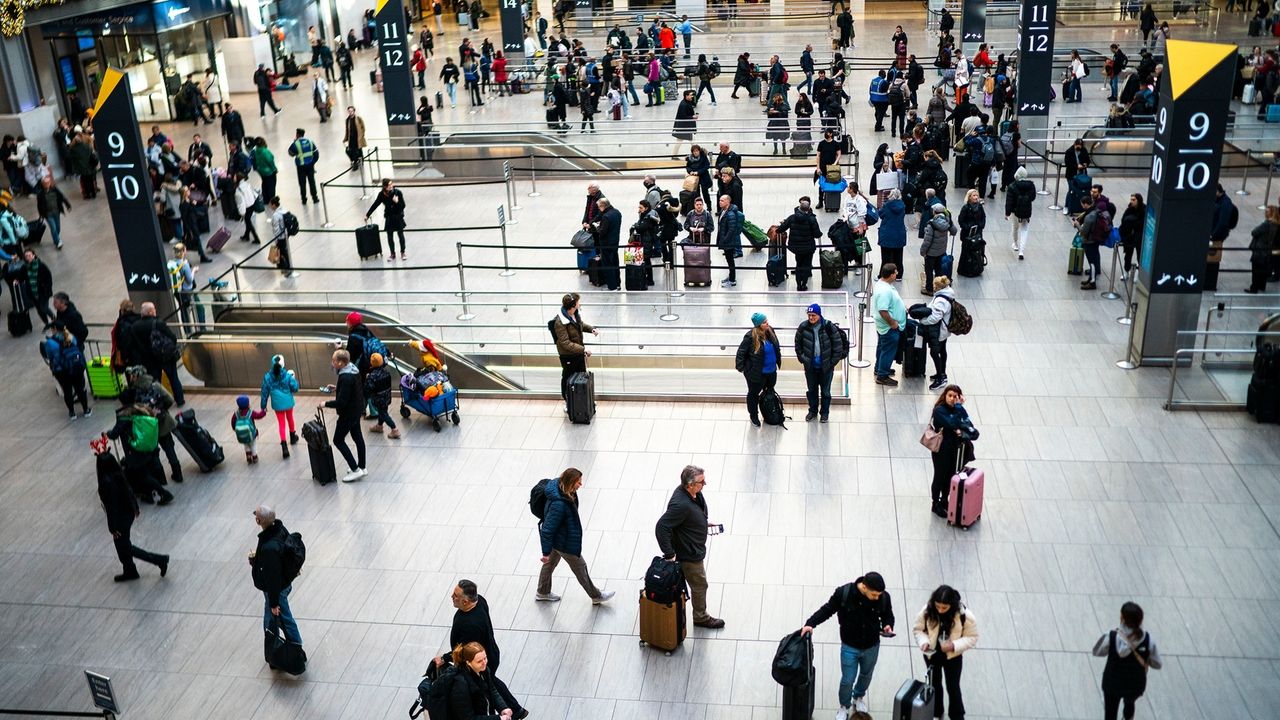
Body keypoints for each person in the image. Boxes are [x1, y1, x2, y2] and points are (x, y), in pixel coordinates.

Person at [799, 572, 895, 716]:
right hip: (850, 646)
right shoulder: (844, 593)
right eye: (874, 594)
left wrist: (888, 625)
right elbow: (827, 610)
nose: (877, 598)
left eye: (879, 595)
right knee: (847, 680)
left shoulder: (883, 597)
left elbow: (888, 614)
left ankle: (858, 697)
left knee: (866, 675)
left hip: (872, 646)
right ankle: (844, 706)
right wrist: (810, 624)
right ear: (864, 587)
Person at [436, 580, 529, 719]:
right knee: (491, 681)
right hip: (490, 652)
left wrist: (444, 658)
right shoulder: (480, 601)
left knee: (489, 683)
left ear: (465, 601)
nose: (452, 597)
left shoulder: (470, 625)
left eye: (455, 595)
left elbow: (464, 651)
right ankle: (516, 710)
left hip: (479, 657)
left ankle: (515, 710)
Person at [655, 465, 724, 628]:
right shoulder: (681, 504)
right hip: (689, 554)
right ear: (690, 485)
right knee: (700, 585)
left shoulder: (692, 494)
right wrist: (669, 554)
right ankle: (701, 617)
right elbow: (662, 527)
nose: (705, 484)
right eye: (701, 482)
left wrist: (701, 523)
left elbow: (687, 517)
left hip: (691, 546)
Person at [535, 468, 615, 603]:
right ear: (570, 482)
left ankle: (542, 592)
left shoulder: (563, 489)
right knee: (580, 567)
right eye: (578, 482)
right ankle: (596, 596)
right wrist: (545, 552)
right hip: (563, 541)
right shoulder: (559, 504)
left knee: (549, 565)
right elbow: (547, 529)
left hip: (558, 537)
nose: (581, 484)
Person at [94, 439, 169, 582]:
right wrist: (135, 507)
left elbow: (111, 507)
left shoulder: (105, 483)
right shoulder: (118, 474)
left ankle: (159, 560)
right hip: (128, 513)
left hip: (120, 519)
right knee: (122, 545)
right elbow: (128, 491)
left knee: (125, 547)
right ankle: (130, 569)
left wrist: (112, 527)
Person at [912, 585, 979, 720]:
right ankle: (937, 712)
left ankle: (957, 716)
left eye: (944, 607)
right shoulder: (927, 610)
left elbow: (972, 637)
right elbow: (918, 629)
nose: (940, 610)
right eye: (938, 606)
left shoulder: (964, 616)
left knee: (953, 687)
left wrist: (953, 645)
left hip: (953, 657)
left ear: (952, 605)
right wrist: (924, 642)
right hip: (932, 655)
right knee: (934, 685)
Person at [1093, 602, 1162, 720]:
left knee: (1110, 712)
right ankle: (1127, 716)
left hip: (1112, 683)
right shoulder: (1148, 640)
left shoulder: (1111, 636)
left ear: (1122, 618)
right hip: (1135, 684)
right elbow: (1157, 664)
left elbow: (1097, 652)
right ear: (1141, 620)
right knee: (1130, 702)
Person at [104, 390, 174, 505]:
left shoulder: (125, 415)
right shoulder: (142, 408)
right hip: (147, 446)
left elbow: (114, 434)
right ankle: (148, 495)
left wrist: (108, 433)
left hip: (134, 450)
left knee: (143, 475)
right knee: (144, 472)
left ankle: (164, 493)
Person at [250, 505, 302, 649]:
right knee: (269, 618)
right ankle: (272, 646)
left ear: (258, 521)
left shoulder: (269, 548)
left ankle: (296, 647)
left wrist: (274, 603)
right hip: (282, 583)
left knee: (285, 619)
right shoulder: (279, 529)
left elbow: (273, 577)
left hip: (277, 590)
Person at [124, 365, 185, 484]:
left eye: (132, 375)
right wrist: (161, 410)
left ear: (136, 376)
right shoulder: (155, 385)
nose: (130, 378)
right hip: (163, 423)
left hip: (147, 427)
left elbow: (133, 410)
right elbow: (170, 399)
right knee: (169, 448)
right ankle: (178, 474)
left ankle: (161, 479)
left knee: (153, 453)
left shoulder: (134, 391)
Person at [794, 303, 846, 423]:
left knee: (826, 392)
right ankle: (812, 411)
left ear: (819, 315)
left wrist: (831, 363)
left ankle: (825, 413)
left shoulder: (828, 326)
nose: (811, 317)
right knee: (811, 390)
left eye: (813, 315)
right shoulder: (803, 327)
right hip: (810, 367)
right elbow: (798, 345)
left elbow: (838, 346)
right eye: (809, 315)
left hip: (826, 367)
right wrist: (803, 359)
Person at [321, 349, 367, 482]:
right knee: (358, 438)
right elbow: (352, 389)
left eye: (334, 361)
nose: (332, 363)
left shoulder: (345, 377)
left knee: (338, 440)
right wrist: (337, 388)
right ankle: (362, 467)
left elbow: (341, 402)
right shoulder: (353, 370)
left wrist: (325, 404)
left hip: (348, 414)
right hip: (356, 410)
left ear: (341, 363)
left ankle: (355, 470)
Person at [125, 302, 183, 406]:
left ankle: (159, 401)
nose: (155, 311)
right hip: (165, 357)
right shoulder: (158, 323)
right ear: (150, 312)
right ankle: (179, 399)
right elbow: (172, 337)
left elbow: (133, 345)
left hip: (149, 360)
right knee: (173, 378)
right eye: (154, 309)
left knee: (155, 382)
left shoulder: (135, 327)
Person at [551, 293, 598, 413]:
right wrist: (583, 349)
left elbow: (580, 325)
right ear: (573, 305)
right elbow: (565, 343)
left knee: (581, 376)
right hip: (567, 355)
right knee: (568, 378)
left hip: (577, 352)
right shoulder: (560, 322)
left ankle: (583, 400)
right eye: (578, 302)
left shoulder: (575, 314)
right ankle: (567, 401)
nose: (579, 303)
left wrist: (591, 329)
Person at [735, 312, 781, 427]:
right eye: (764, 322)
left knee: (769, 392)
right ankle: (754, 416)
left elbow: (776, 347)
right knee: (753, 394)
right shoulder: (750, 337)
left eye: (766, 321)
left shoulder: (770, 331)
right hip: (757, 374)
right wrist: (744, 369)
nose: (767, 323)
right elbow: (741, 353)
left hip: (771, 372)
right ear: (758, 325)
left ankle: (769, 412)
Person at [447, 642, 512, 720]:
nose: (484, 663)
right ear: (468, 662)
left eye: (485, 658)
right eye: (479, 661)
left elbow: (492, 690)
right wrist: (498, 718)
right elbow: (467, 718)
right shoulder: (460, 685)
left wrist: (503, 708)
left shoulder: (484, 670)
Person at [917, 276, 957, 391]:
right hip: (944, 330)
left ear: (939, 287)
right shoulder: (947, 293)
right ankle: (942, 373)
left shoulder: (941, 300)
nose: (933, 287)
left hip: (939, 331)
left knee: (934, 353)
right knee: (942, 351)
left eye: (935, 285)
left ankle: (941, 377)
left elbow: (935, 318)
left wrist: (922, 320)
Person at [43, 323, 90, 419]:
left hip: (61, 371)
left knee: (67, 391)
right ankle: (86, 410)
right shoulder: (71, 337)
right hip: (75, 367)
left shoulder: (50, 343)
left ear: (55, 329)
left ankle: (72, 413)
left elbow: (49, 356)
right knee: (80, 389)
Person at [260, 354, 299, 459]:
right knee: (290, 418)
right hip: (288, 402)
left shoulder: (267, 377)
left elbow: (264, 392)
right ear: (283, 364)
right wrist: (293, 378)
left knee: (281, 424)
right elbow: (295, 388)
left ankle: (284, 447)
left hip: (277, 404)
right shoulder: (287, 375)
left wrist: (263, 406)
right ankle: (293, 437)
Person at [872, 264, 905, 386]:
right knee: (888, 350)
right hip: (888, 327)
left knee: (882, 347)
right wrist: (892, 323)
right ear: (891, 275)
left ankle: (879, 368)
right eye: (895, 272)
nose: (897, 274)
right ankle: (882, 375)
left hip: (883, 326)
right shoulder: (885, 291)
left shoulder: (882, 284)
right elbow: (883, 310)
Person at [779, 196, 821, 290]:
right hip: (808, 247)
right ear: (808, 209)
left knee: (798, 264)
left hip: (797, 247)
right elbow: (817, 234)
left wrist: (779, 228)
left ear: (799, 208)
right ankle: (804, 284)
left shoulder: (793, 217)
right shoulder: (811, 219)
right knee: (806, 266)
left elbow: (781, 228)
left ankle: (798, 284)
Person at [366, 178, 407, 261]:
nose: (391, 186)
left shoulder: (398, 192)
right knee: (390, 236)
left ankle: (403, 252)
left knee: (400, 235)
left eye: (391, 184)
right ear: (385, 187)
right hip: (389, 217)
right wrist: (368, 215)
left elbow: (403, 206)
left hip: (398, 216)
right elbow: (375, 204)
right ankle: (392, 253)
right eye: (389, 185)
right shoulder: (382, 194)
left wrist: (397, 202)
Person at [920, 204, 957, 295]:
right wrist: (950, 221)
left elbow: (927, 241)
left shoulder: (931, 224)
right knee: (939, 270)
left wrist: (923, 251)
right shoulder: (947, 221)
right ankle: (939, 287)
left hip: (931, 253)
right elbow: (954, 231)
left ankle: (929, 289)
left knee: (929, 271)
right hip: (941, 251)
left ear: (934, 212)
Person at [364, 352, 400, 439]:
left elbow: (368, 388)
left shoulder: (372, 376)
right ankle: (379, 426)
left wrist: (367, 379)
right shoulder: (386, 372)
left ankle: (394, 429)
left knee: (383, 414)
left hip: (378, 399)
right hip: (387, 397)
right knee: (382, 411)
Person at [591, 197, 623, 291]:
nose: (599, 209)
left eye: (599, 207)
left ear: (603, 206)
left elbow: (602, 232)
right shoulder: (617, 212)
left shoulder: (606, 216)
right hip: (615, 242)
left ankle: (612, 286)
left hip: (606, 244)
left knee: (608, 264)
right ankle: (618, 283)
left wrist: (597, 226)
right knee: (615, 262)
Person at [1246, 205, 1280, 293]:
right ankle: (1262, 286)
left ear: (1271, 213)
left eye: (1267, 211)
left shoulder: (1266, 224)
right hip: (1268, 250)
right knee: (1263, 269)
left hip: (1260, 249)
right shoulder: (1276, 225)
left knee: (1256, 269)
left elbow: (1254, 232)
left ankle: (1254, 288)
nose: (1265, 213)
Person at [1207, 184, 1234, 292]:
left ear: (1218, 191)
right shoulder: (1218, 200)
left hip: (1216, 236)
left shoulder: (1225, 203)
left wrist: (1213, 235)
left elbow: (1222, 222)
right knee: (1209, 258)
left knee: (1213, 257)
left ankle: (1210, 284)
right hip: (1213, 233)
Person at [1005, 166, 1035, 259]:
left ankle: (1015, 244)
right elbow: (1033, 197)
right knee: (1024, 230)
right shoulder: (1031, 185)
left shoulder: (1012, 186)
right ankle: (1021, 252)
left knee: (1015, 227)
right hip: (1026, 211)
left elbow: (1009, 201)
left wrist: (1007, 213)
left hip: (1015, 211)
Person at [35, 175, 71, 250]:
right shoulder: (40, 194)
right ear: (42, 184)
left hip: (56, 212)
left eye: (48, 183)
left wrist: (68, 205)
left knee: (58, 228)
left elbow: (62, 197)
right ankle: (58, 242)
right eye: (45, 183)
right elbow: (39, 205)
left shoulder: (55, 190)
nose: (47, 184)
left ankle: (55, 239)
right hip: (48, 214)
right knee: (53, 228)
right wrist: (41, 215)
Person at [877, 189, 907, 277]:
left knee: (885, 257)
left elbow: (881, 215)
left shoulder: (886, 205)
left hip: (887, 233)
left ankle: (884, 275)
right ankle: (899, 274)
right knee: (898, 256)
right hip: (899, 233)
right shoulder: (902, 206)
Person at [287, 128, 320, 206]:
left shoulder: (296, 143)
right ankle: (315, 198)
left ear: (297, 134)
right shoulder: (310, 141)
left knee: (302, 183)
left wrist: (294, 143)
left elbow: (290, 153)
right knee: (312, 181)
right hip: (310, 165)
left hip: (301, 167)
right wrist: (312, 162)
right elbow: (316, 154)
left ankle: (304, 199)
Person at [232, 395, 268, 464]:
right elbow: (259, 415)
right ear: (248, 404)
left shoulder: (236, 414)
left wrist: (234, 429)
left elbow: (233, 422)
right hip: (251, 433)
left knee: (246, 444)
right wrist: (264, 411)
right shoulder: (250, 413)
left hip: (242, 434)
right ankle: (254, 457)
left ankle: (248, 455)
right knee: (253, 445)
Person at [1118, 193, 1145, 274]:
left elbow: (1142, 223)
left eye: (1134, 200)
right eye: (1131, 200)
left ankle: (1139, 272)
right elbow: (1123, 220)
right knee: (1128, 254)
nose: (1132, 201)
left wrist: (1131, 223)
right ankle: (1126, 271)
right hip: (1129, 236)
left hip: (1139, 236)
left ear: (1138, 200)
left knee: (1139, 254)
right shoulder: (1129, 209)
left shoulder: (1144, 210)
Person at [672, 90, 697, 157]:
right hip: (684, 126)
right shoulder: (683, 104)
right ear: (686, 96)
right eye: (690, 95)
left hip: (684, 126)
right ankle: (697, 154)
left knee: (680, 141)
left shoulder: (687, 102)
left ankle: (674, 155)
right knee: (691, 141)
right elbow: (682, 116)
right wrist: (692, 117)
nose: (692, 96)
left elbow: (694, 104)